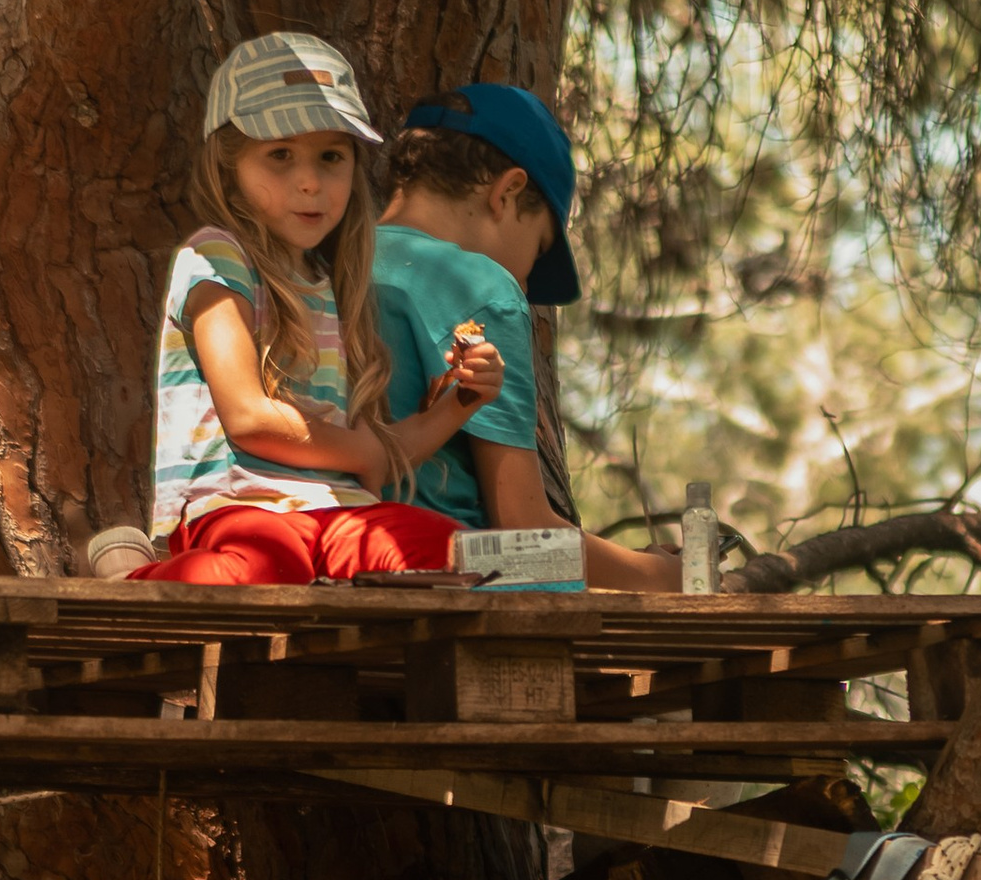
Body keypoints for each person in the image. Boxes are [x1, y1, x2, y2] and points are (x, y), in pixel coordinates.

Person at [132, 34, 503, 587]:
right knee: (263, 566)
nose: (310, 182)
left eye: (331, 156)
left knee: (470, 556)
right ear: (228, 164)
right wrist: (363, 450)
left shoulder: (329, 284)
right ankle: (129, 578)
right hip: (239, 508)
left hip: (340, 512)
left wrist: (458, 405)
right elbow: (250, 418)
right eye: (280, 154)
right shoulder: (215, 255)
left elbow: (374, 453)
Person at [372, 84, 681, 591]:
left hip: (339, 550)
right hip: (436, 574)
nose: (525, 280)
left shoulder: (331, 260)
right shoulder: (481, 287)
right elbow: (522, 528)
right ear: (507, 192)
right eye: (538, 250)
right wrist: (661, 575)